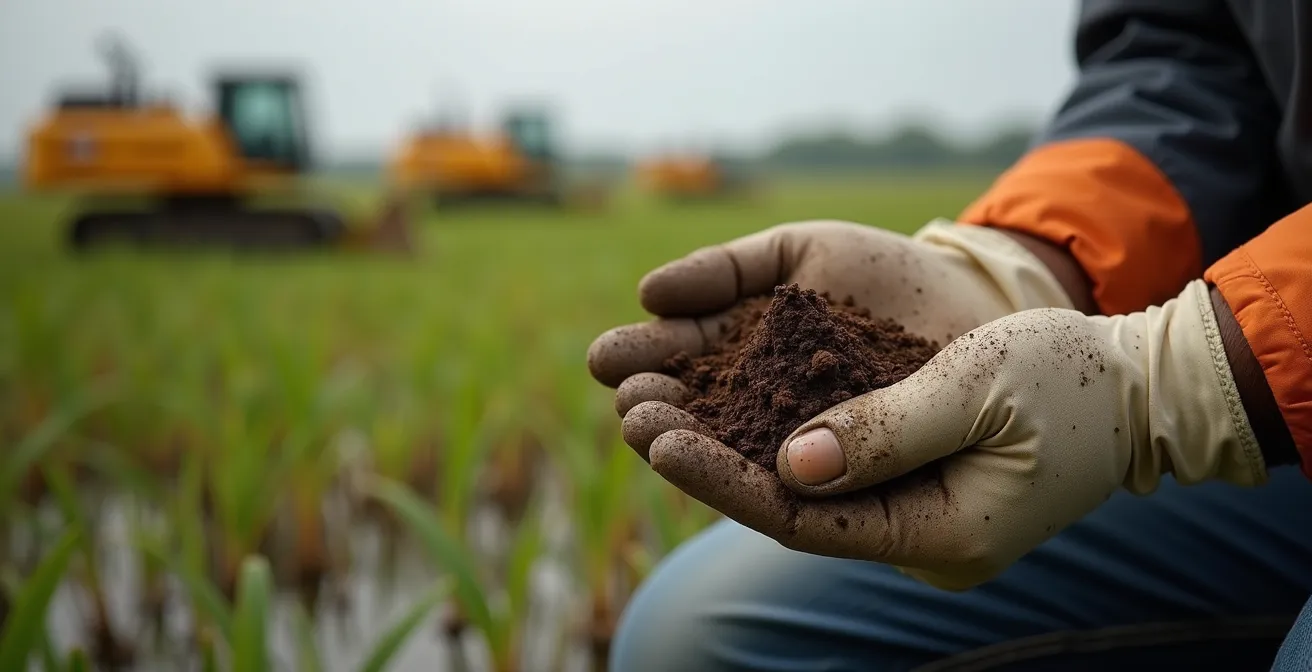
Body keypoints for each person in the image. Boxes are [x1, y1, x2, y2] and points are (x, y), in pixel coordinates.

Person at [586, 2, 1312, 669]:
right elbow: (1182, 63)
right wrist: (1022, 265)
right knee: (691, 637)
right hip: (1281, 446)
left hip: (1266, 387)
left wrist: (1188, 377)